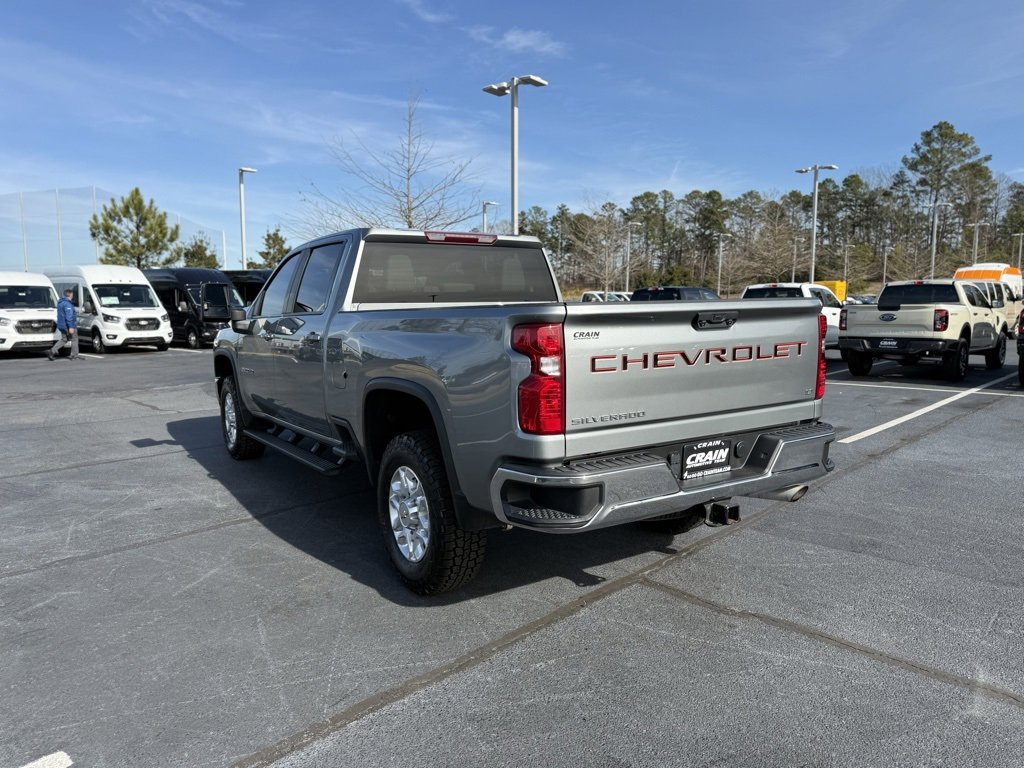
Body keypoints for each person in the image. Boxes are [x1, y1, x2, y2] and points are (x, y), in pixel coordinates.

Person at [48, 289, 80, 360]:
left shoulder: (60, 303)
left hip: (61, 325)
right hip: (68, 325)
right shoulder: (67, 304)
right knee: (74, 338)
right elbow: (69, 316)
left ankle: (52, 350)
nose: (73, 296)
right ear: (70, 294)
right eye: (72, 294)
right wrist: (71, 327)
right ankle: (74, 355)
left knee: (64, 339)